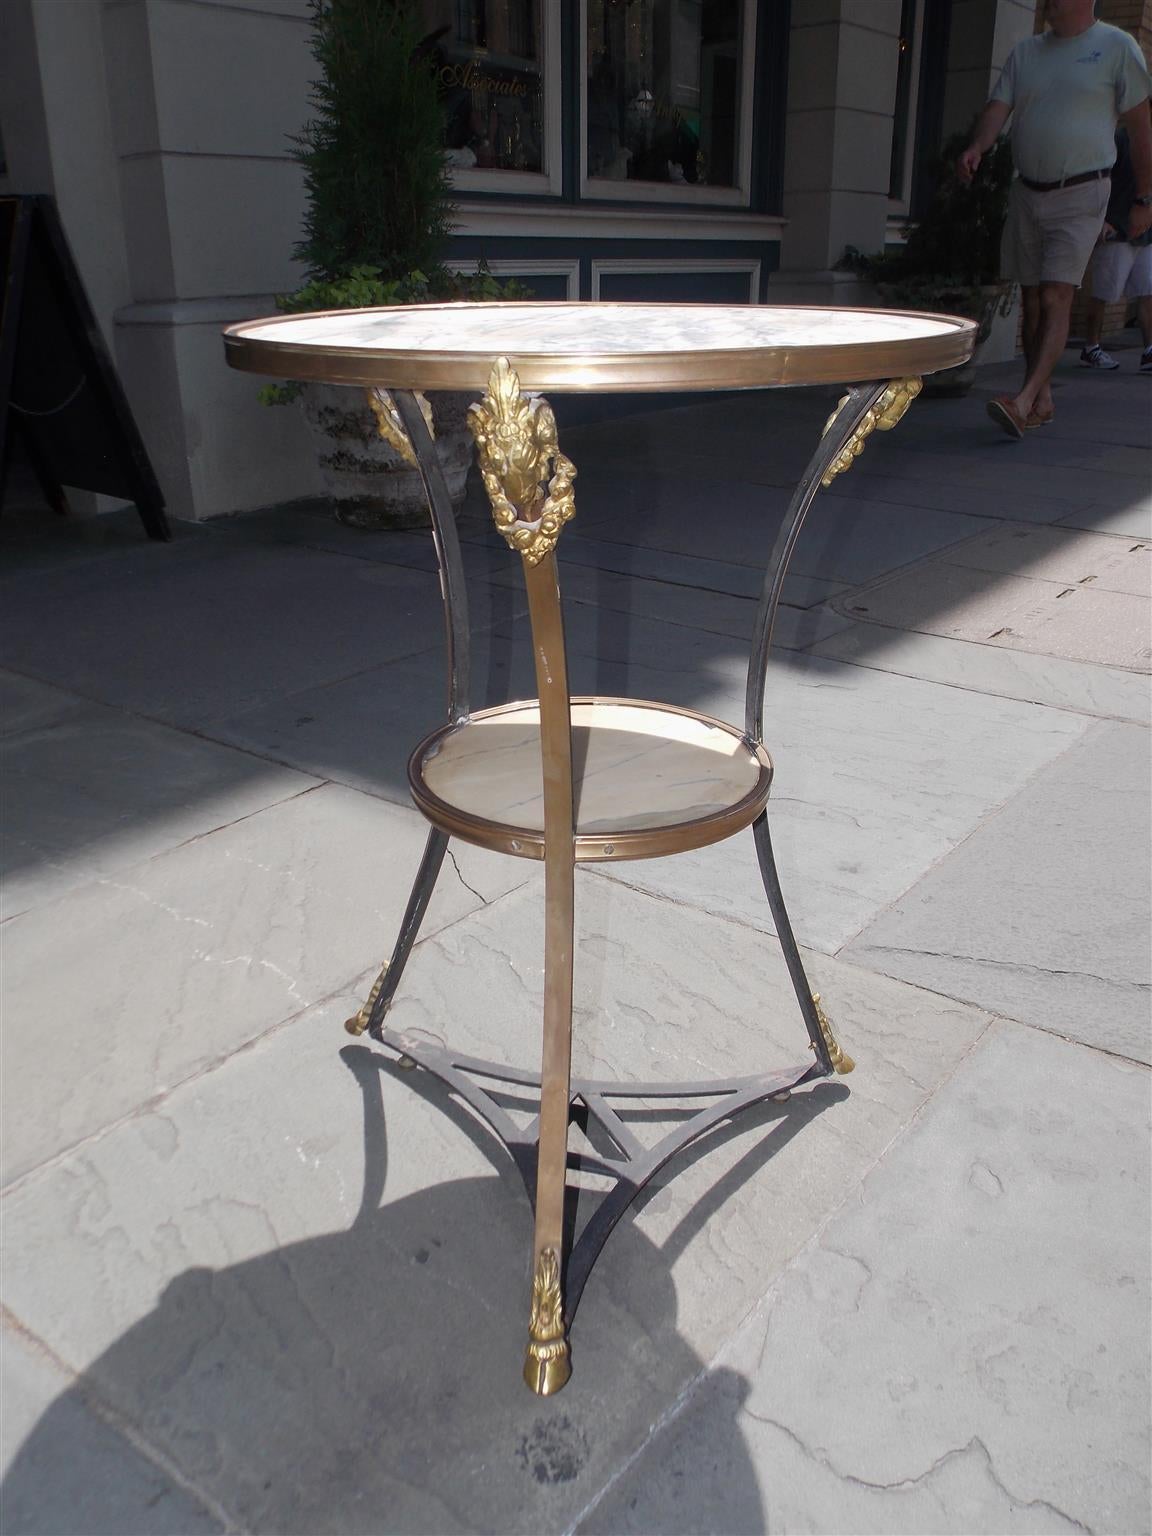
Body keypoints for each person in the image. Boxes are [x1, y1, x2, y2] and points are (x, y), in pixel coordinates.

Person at [958, 0, 1151, 437]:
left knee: (1055, 296)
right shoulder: (1026, 52)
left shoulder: (1117, 47)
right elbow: (997, 108)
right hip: (1027, 190)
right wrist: (978, 147)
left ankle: (1022, 401)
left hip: (1083, 189)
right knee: (1031, 300)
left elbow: (1142, 127)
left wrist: (1145, 197)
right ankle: (1042, 398)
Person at [1079, 125, 1152, 372]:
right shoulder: (1122, 138)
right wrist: (1103, 218)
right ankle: (1091, 347)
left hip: (1146, 234)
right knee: (1103, 292)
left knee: (1148, 291)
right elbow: (1103, 176)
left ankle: (1150, 350)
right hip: (1118, 228)